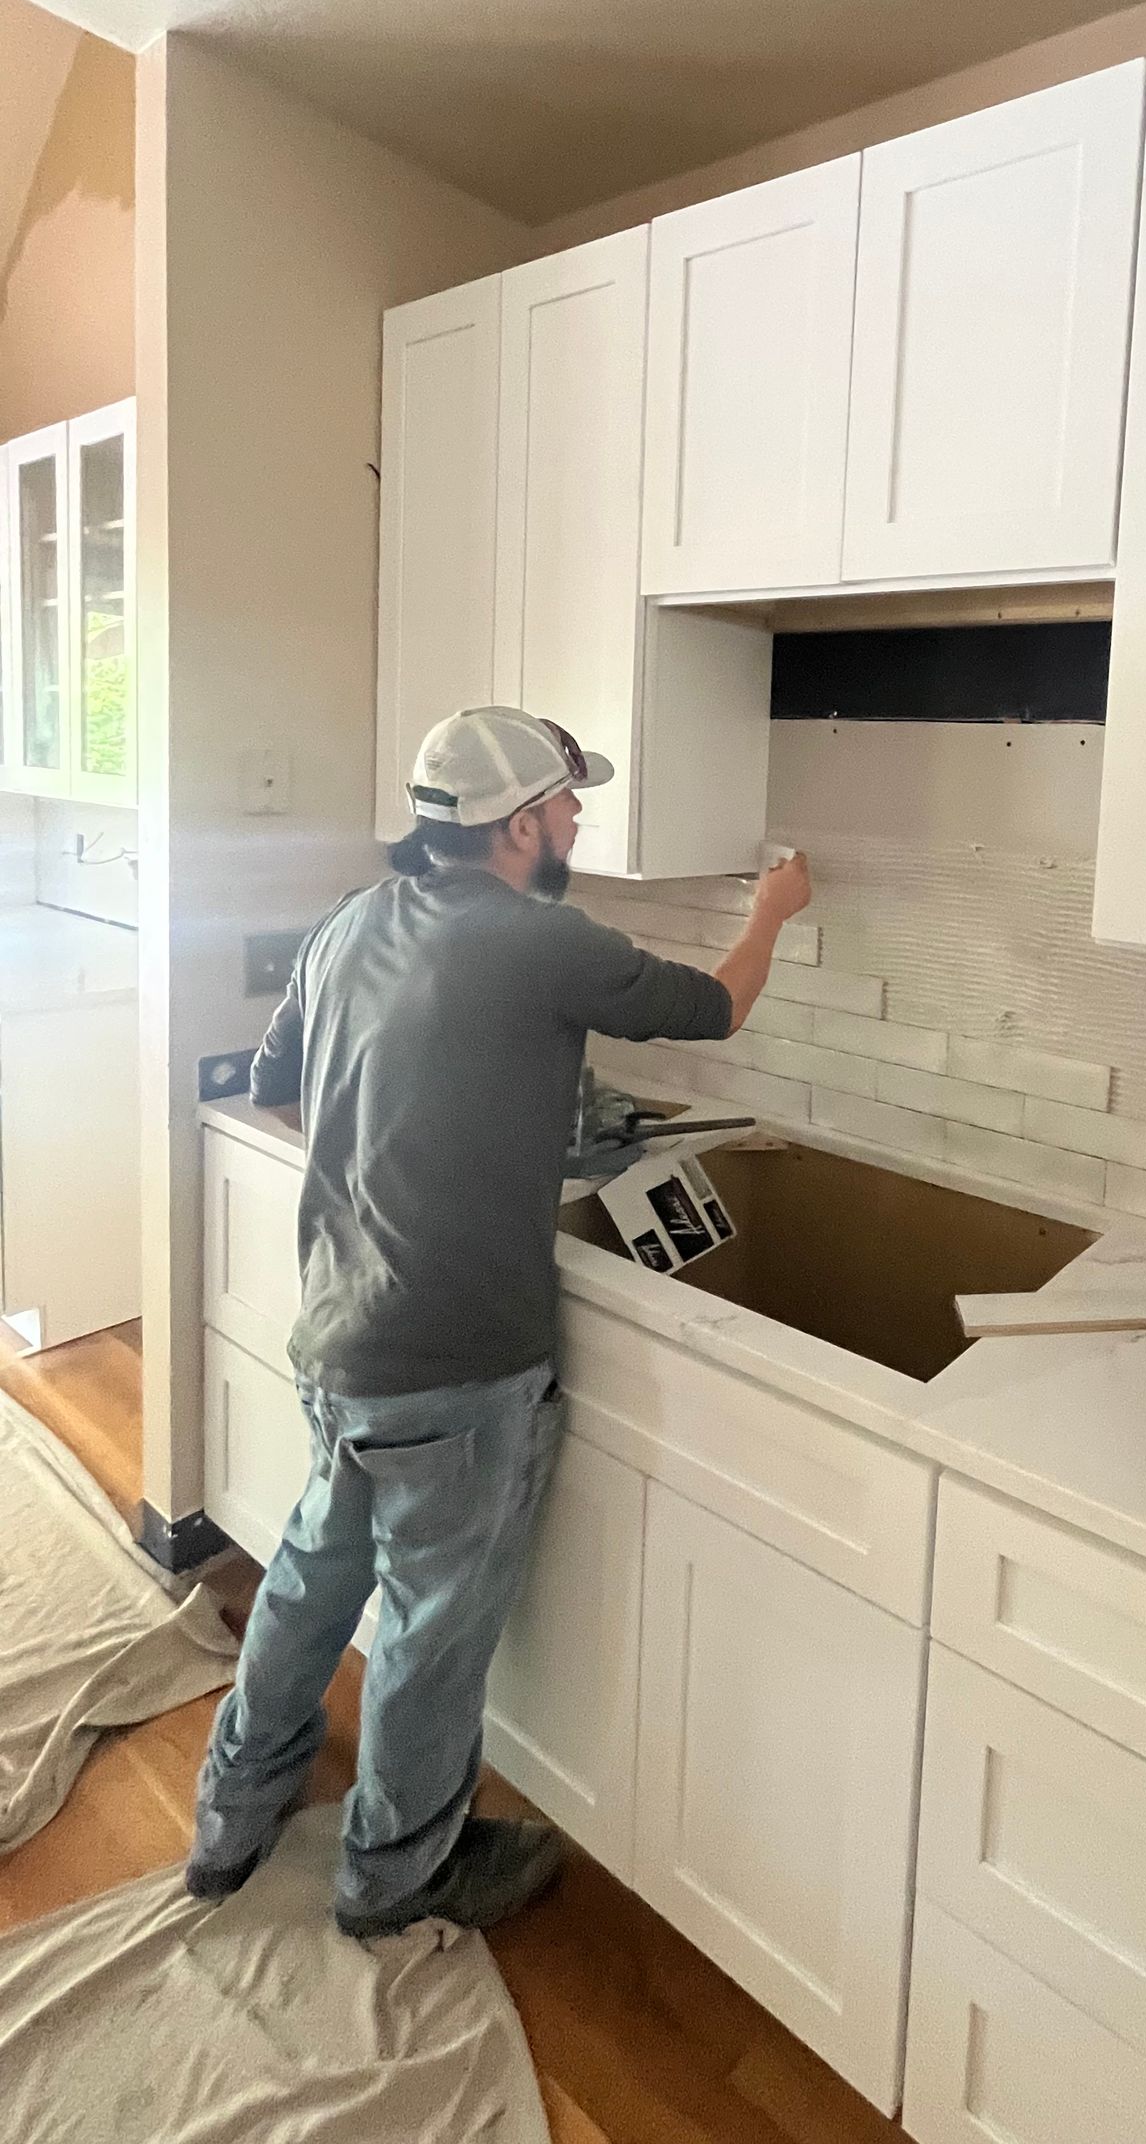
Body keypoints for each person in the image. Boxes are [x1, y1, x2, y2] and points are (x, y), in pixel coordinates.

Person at [184, 705, 811, 1936]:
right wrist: (775, 908)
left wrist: (453, 1133)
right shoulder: (543, 941)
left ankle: (231, 1812)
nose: (578, 819)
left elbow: (283, 1084)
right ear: (519, 823)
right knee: (429, 1626)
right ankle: (396, 1870)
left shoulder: (351, 922)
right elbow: (719, 1008)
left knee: (315, 1577)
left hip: (341, 1336)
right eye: (569, 802)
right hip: (458, 1368)